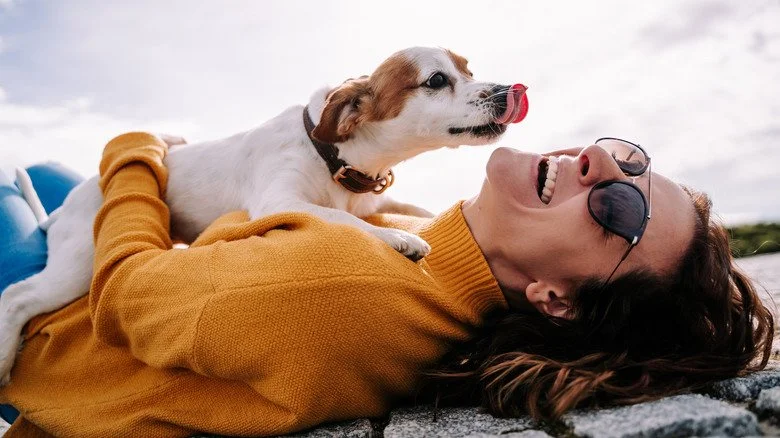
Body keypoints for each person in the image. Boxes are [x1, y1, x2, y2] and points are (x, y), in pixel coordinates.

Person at [0, 132, 772, 437]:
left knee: (20, 179)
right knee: (47, 176)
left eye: (618, 208)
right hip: (88, 282)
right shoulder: (424, 242)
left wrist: (137, 153)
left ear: (556, 298)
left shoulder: (341, 289)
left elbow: (129, 293)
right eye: (628, 160)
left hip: (48, 339)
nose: (603, 167)